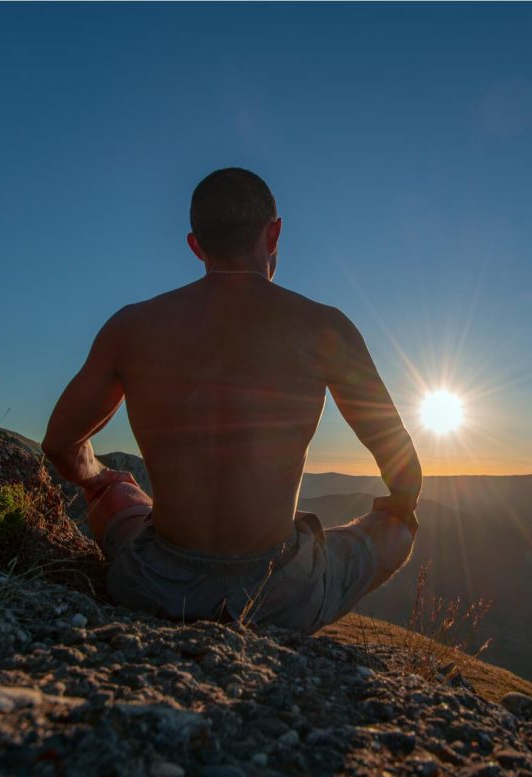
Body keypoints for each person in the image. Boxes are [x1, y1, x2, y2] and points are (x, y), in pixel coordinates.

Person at [42, 168, 421, 634]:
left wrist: (103, 477)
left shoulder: (131, 326)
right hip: (280, 594)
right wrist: (393, 509)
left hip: (152, 583)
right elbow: (404, 470)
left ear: (195, 245)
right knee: (398, 531)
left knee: (116, 491)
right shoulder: (325, 327)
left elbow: (60, 444)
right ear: (275, 232)